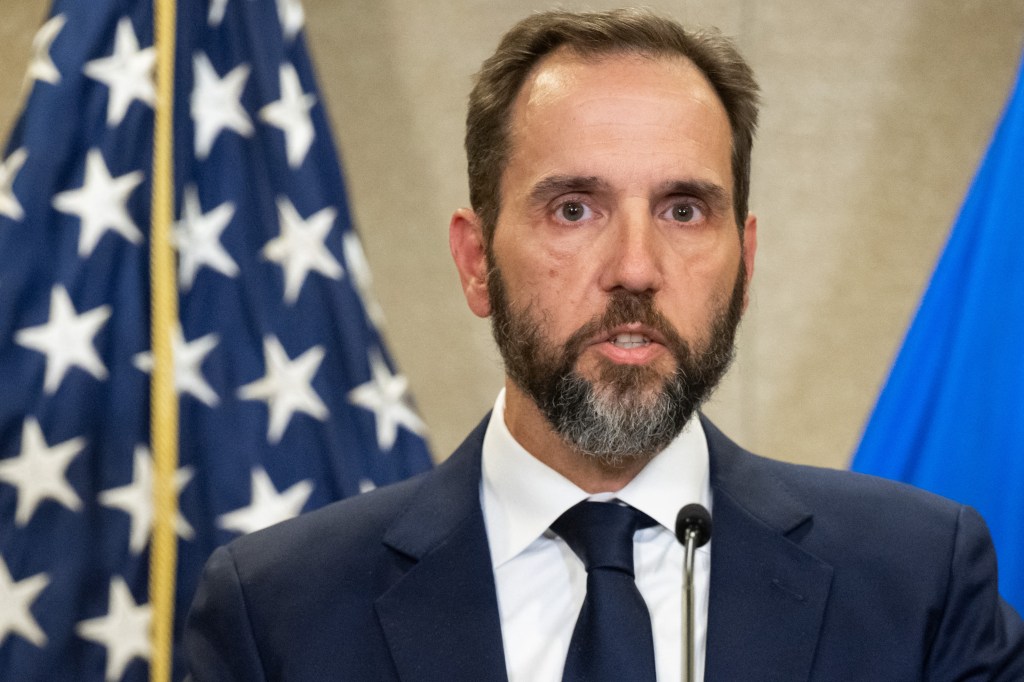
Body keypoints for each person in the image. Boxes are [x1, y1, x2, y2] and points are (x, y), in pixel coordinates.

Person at [184, 8, 1024, 680]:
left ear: (746, 260)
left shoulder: (921, 585)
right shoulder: (279, 615)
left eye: (684, 210)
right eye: (574, 209)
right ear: (476, 263)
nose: (635, 268)